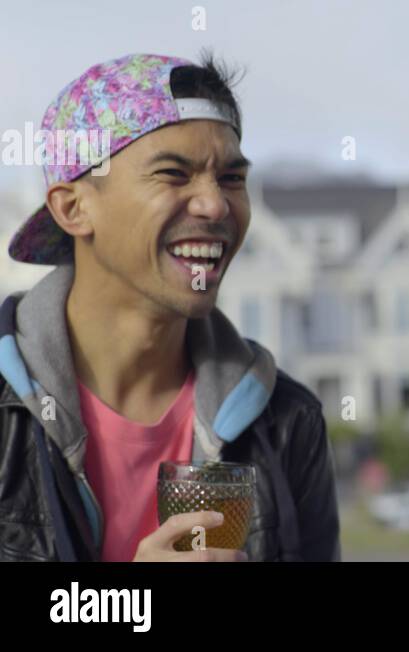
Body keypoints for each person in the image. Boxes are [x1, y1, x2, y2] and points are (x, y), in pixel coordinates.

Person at [0, 53, 340, 561]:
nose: (215, 204)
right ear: (74, 208)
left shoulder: (287, 421)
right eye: (174, 175)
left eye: (230, 178)